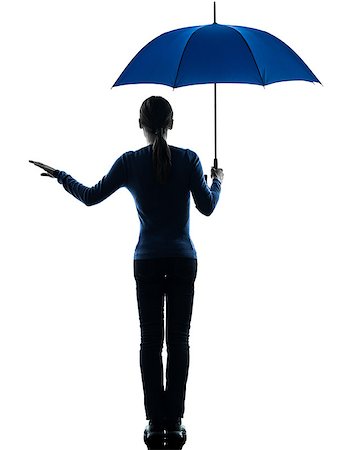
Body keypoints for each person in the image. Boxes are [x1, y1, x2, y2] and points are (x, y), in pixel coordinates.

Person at [29, 96, 223, 449]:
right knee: (178, 340)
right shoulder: (189, 159)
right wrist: (218, 181)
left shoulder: (131, 163)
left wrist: (60, 176)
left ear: (140, 125)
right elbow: (207, 207)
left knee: (151, 341)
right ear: (172, 123)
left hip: (146, 261)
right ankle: (175, 422)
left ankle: (154, 424)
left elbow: (90, 196)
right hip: (182, 260)